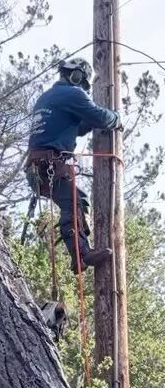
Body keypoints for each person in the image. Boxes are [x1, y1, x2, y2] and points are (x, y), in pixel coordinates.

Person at [26, 57, 122, 272]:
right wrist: (116, 118)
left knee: (78, 201)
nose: (83, 88)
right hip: (49, 165)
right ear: (76, 75)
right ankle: (81, 254)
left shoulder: (48, 97)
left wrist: (93, 120)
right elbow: (99, 117)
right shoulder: (72, 93)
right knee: (74, 204)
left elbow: (77, 127)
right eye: (82, 82)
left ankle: (79, 255)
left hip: (37, 167)